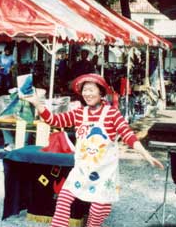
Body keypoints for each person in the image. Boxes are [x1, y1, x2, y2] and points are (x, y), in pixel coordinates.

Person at [23, 73, 164, 227]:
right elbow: (54, 120)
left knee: (98, 209)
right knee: (63, 199)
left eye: (91, 90)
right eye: (84, 90)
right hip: (82, 170)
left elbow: (128, 135)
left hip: (104, 174)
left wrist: (146, 154)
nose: (87, 94)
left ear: (101, 92)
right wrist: (37, 103)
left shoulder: (112, 113)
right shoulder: (79, 113)